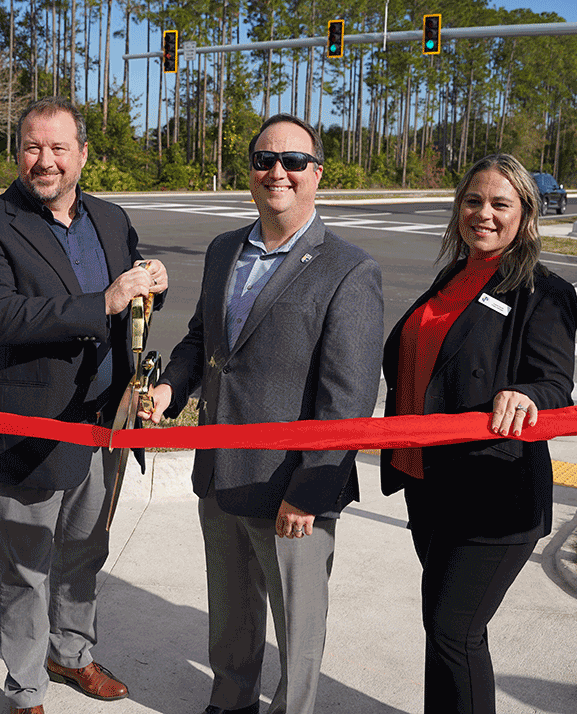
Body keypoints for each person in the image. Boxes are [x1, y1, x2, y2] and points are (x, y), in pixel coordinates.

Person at [140, 114, 383, 714]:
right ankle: (231, 701)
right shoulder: (226, 249)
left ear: (316, 174)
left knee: (297, 626)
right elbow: (202, 339)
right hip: (220, 472)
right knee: (230, 612)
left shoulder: (349, 270)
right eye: (264, 160)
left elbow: (347, 397)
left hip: (290, 486)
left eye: (293, 161)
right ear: (250, 172)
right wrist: (170, 389)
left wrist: (313, 487)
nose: (278, 172)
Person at [0, 96, 167, 714]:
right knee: (24, 566)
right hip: (30, 425)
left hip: (104, 421)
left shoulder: (112, 218)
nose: (45, 161)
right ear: (18, 152)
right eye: (32, 147)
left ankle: (70, 654)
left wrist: (152, 286)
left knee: (85, 551)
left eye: (58, 148)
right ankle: (25, 690)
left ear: (82, 155)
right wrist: (104, 300)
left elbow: (131, 306)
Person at [380, 153, 577, 713]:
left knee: (453, 631)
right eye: (473, 201)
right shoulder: (454, 276)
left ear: (525, 215)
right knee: (446, 632)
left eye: (500, 204)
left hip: (495, 493)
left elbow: (554, 382)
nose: (483, 214)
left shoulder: (544, 291)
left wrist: (528, 396)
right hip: (431, 485)